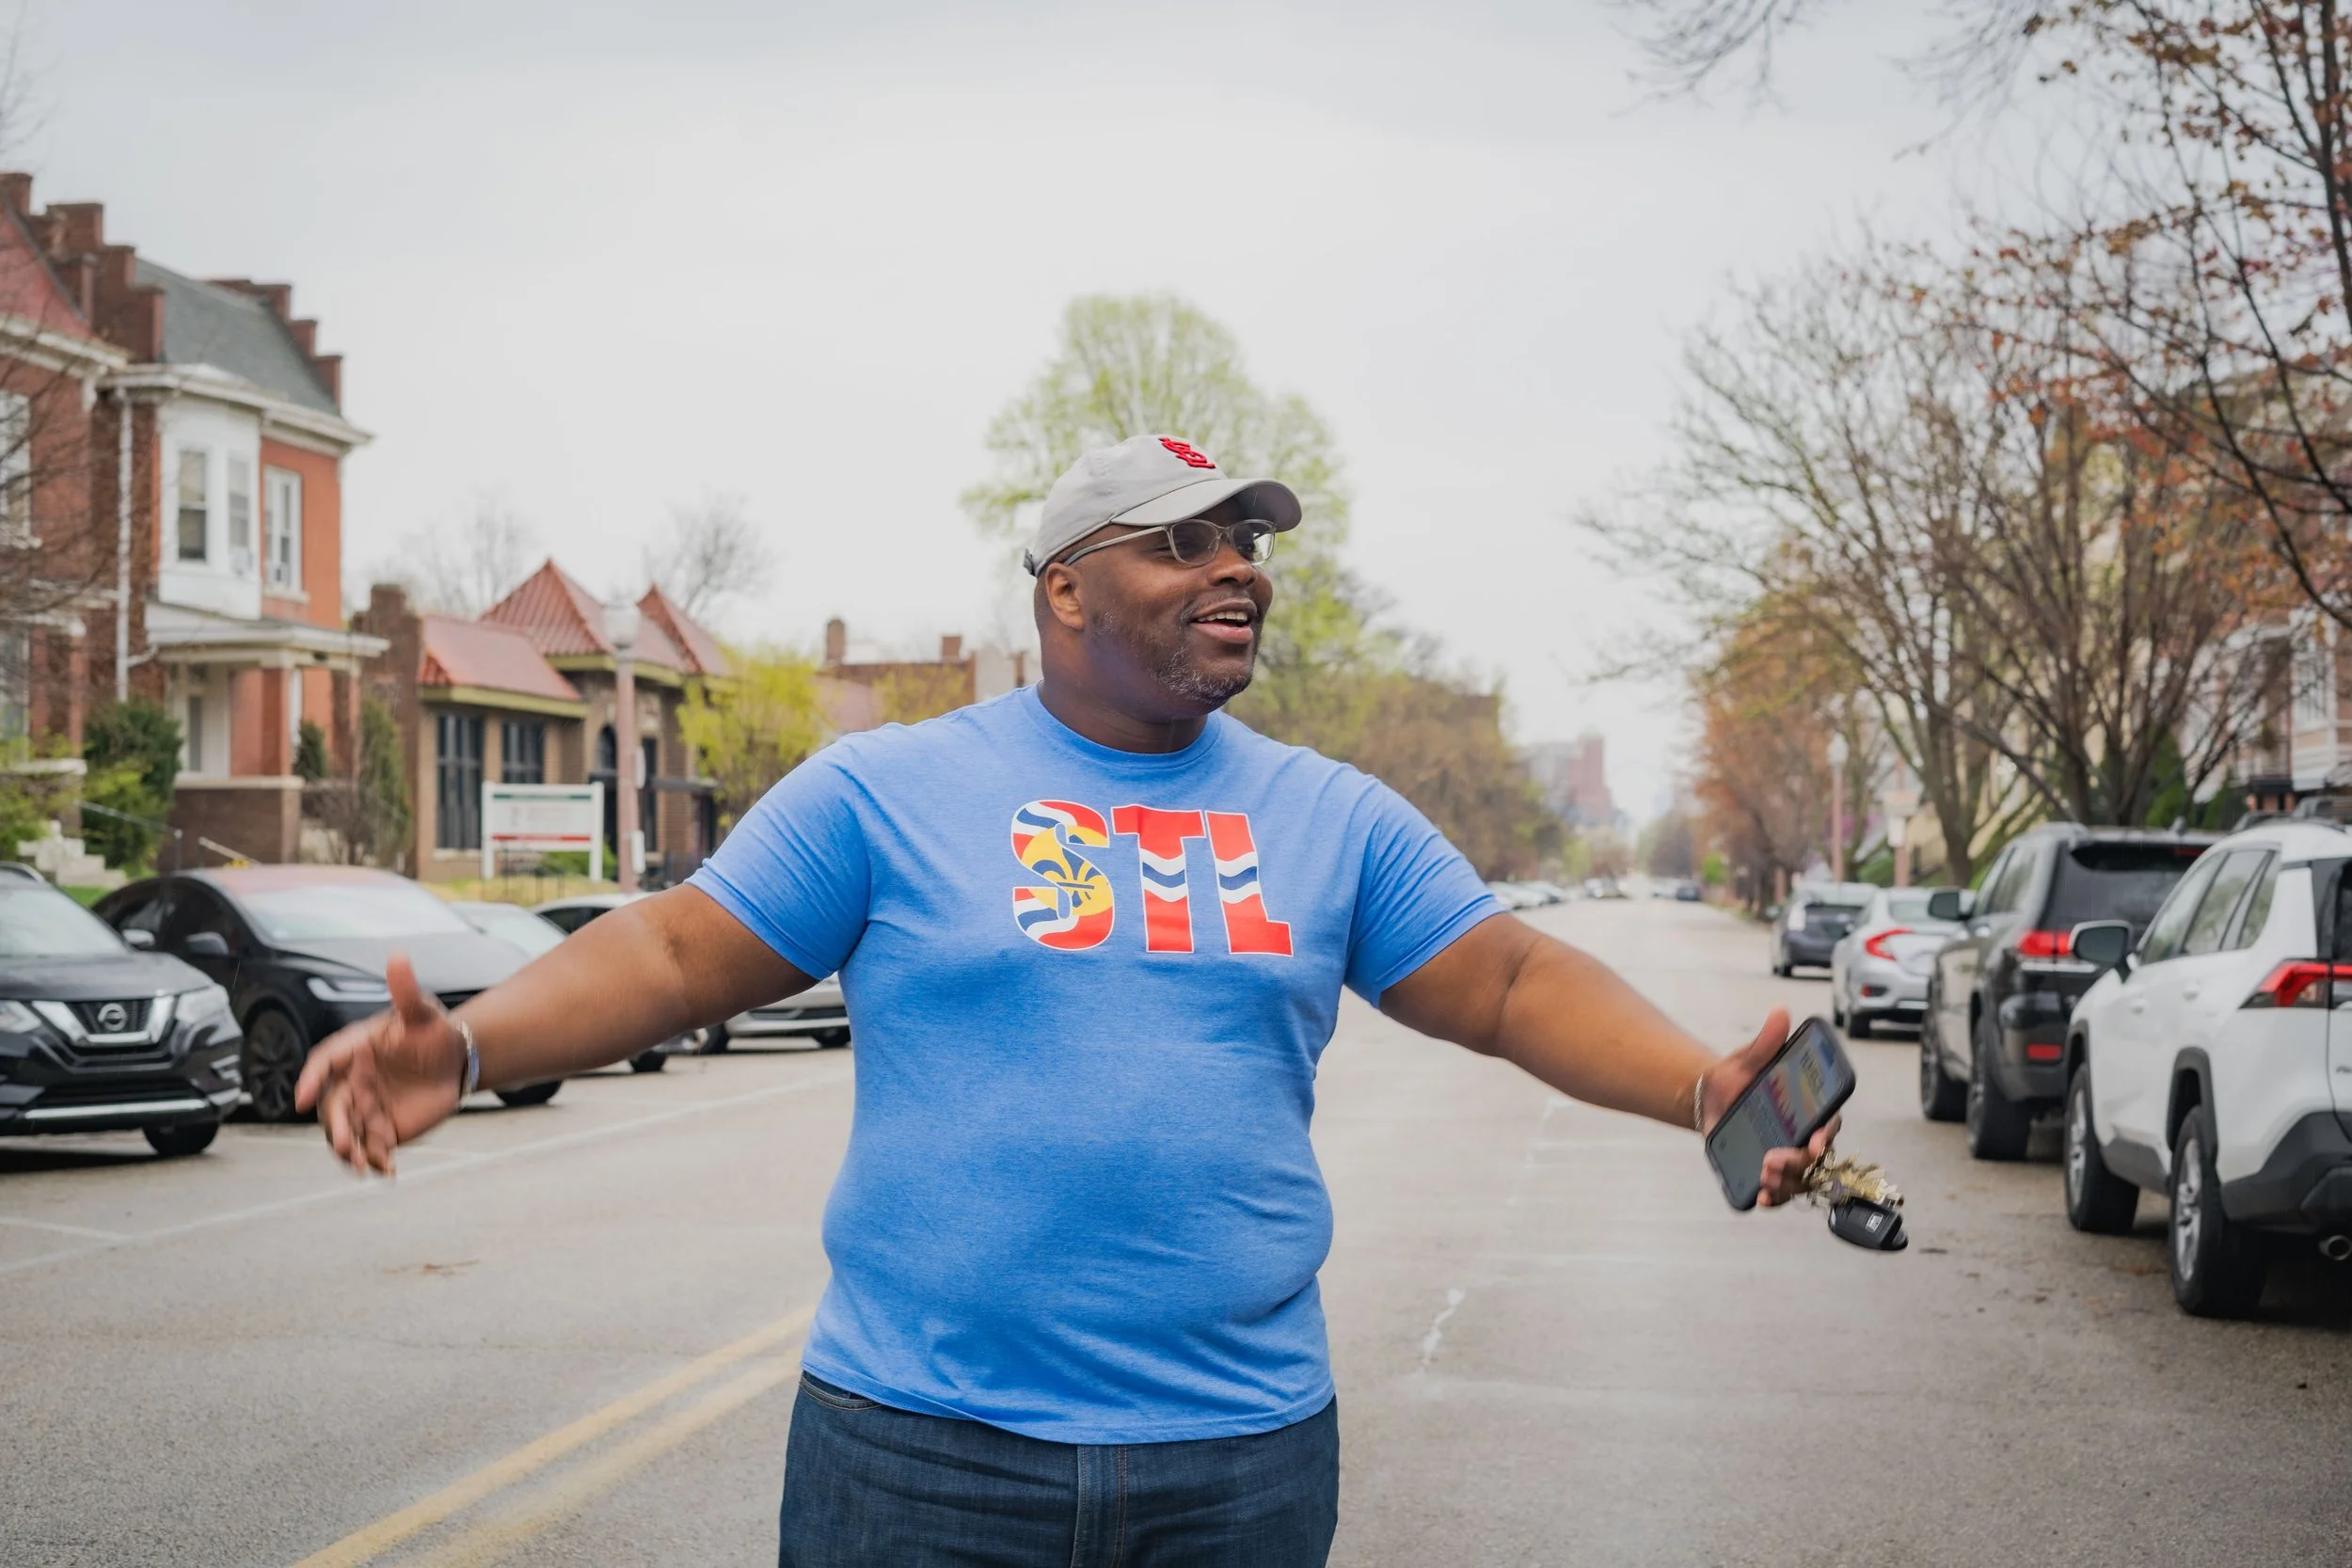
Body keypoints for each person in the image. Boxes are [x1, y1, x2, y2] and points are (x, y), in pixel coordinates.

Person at [297, 432, 1834, 1568]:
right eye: (1186, 541)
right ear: (1068, 590)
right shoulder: (889, 791)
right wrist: (477, 1042)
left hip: (1238, 1457)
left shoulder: (1328, 814)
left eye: (1249, 540)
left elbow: (1508, 979)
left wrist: (1699, 1083)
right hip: (918, 1458)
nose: (1239, 565)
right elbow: (678, 952)